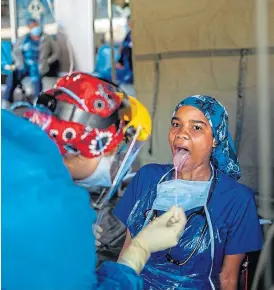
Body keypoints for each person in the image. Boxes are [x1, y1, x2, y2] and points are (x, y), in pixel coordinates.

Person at [1, 73, 187, 289]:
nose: (118, 160)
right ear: (86, 145)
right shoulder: (57, 210)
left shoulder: (10, 131)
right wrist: (138, 251)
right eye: (117, 150)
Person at [113, 95, 263, 289]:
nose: (181, 134)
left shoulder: (237, 198)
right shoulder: (147, 178)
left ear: (216, 138)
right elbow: (127, 250)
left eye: (197, 127)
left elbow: (228, 277)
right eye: (176, 124)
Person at [2, 18, 60, 108]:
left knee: (37, 78)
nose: (34, 28)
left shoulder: (47, 38)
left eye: (36, 25)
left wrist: (47, 61)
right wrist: (19, 62)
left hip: (39, 66)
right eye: (32, 26)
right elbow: (15, 51)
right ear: (29, 28)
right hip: (24, 65)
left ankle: (38, 103)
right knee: (13, 75)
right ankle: (7, 100)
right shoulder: (24, 39)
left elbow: (56, 52)